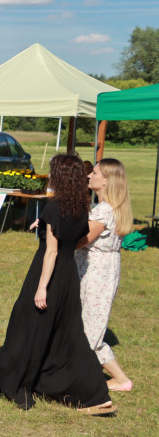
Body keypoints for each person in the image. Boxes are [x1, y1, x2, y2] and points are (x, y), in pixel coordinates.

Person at [0, 154, 114, 415]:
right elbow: (73, 236)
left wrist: (41, 287)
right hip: (69, 277)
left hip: (48, 274)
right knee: (68, 336)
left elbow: (51, 252)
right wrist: (46, 222)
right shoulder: (80, 209)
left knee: (24, 329)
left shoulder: (53, 208)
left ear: (59, 177)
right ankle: (95, 395)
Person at [75, 158, 134, 392]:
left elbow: (82, 241)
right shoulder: (107, 207)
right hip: (99, 268)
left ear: (106, 179)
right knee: (84, 324)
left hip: (97, 273)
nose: (89, 176)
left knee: (90, 329)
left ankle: (120, 379)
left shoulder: (104, 211)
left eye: (95, 173)